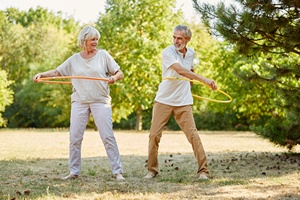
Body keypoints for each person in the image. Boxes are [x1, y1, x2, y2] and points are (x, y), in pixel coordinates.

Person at [33, 26, 125, 181]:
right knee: (75, 138)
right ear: (84, 40)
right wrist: (41, 74)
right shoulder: (74, 59)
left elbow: (119, 73)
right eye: (92, 39)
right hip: (80, 101)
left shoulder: (103, 55)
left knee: (107, 136)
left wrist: (114, 78)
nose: (95, 42)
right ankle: (73, 172)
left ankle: (117, 172)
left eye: (97, 39)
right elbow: (57, 73)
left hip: (100, 100)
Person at [144, 25, 217, 180]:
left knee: (193, 135)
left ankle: (203, 171)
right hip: (164, 99)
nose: (176, 41)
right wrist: (205, 80)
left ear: (187, 39)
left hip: (183, 101)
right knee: (154, 135)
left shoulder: (191, 53)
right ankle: (152, 170)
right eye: (174, 37)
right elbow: (181, 71)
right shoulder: (168, 52)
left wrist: (190, 83)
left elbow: (189, 71)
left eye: (180, 38)